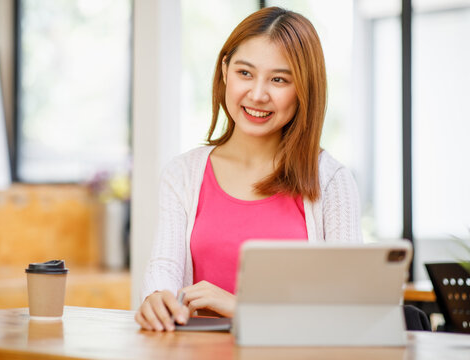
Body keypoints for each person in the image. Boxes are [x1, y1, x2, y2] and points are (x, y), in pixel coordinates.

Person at [135, 6, 362, 332]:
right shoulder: (182, 174)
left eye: (279, 79)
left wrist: (241, 308)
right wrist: (157, 299)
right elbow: (164, 269)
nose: (257, 94)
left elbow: (353, 308)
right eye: (245, 73)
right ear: (225, 70)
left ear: (304, 89)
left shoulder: (332, 181)